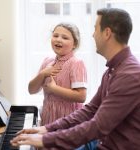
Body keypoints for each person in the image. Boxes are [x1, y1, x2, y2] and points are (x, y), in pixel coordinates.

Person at [10, 8, 140, 150]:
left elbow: (97, 126)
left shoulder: (129, 75)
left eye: (95, 29)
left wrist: (46, 139)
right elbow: (90, 110)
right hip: (100, 142)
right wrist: (47, 129)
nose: (92, 35)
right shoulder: (112, 70)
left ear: (107, 33)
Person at [28, 23, 87, 125]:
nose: (58, 39)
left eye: (65, 37)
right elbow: (31, 90)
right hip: (48, 117)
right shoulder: (47, 61)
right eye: (55, 36)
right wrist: (42, 74)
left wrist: (53, 89)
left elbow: (81, 96)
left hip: (68, 120)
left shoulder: (76, 63)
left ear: (75, 44)